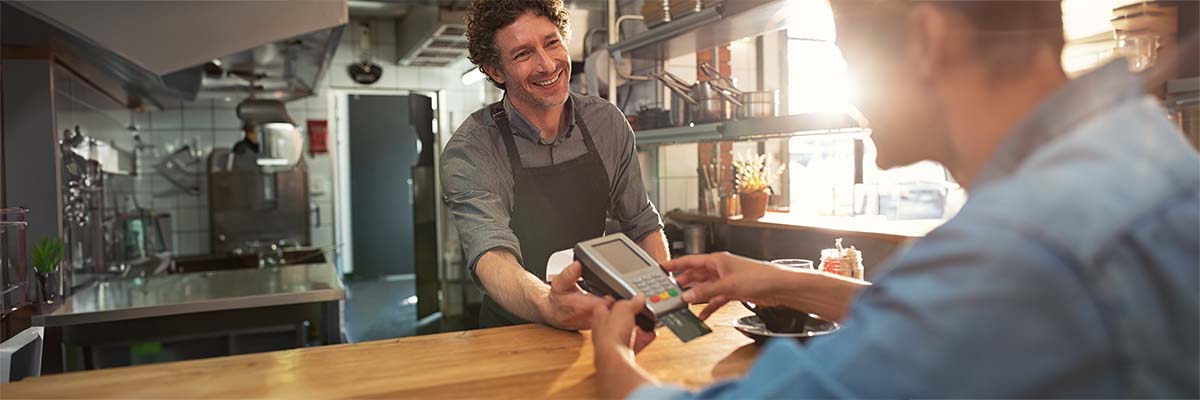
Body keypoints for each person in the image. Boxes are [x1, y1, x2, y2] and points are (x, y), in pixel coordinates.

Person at [590, 0, 1199, 398]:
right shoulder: (1133, 150)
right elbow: (942, 320)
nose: (853, 95)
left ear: (925, 41)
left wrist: (616, 363)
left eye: (848, 56)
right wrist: (772, 281)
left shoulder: (1025, 243)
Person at [441, 0, 669, 333]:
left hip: (592, 323)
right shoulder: (472, 149)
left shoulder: (607, 123)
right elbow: (492, 254)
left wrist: (666, 302)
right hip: (511, 334)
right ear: (495, 70)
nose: (548, 65)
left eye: (552, 43)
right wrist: (549, 305)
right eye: (523, 54)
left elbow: (642, 222)